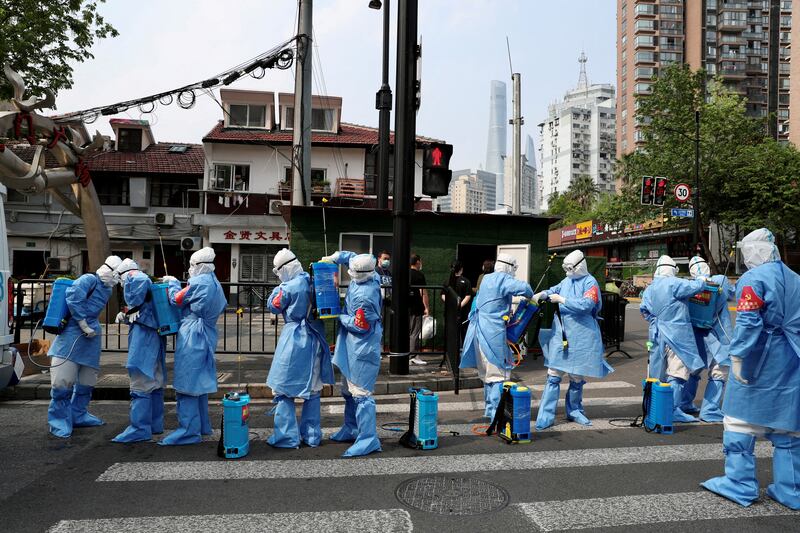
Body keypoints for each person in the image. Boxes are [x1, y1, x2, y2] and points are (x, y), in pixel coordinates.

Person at [702, 228, 800, 510]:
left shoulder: (752, 279)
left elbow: (749, 322)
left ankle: (740, 484)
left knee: (738, 421)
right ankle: (790, 489)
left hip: (760, 358)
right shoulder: (796, 279)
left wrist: (738, 356)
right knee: (789, 426)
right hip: (791, 358)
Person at [533, 250, 611, 430]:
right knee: (554, 374)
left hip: (582, 335)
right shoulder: (567, 281)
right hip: (562, 334)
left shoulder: (590, 282)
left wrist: (563, 300)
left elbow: (586, 305)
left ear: (579, 266)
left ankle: (575, 410)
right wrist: (543, 293)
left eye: (570, 268)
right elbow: (554, 289)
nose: (567, 272)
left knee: (576, 376)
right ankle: (546, 415)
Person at [266, 249, 335, 448]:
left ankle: (287, 437)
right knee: (313, 389)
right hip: (316, 338)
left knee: (283, 387)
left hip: (294, 339)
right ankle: (312, 436)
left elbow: (273, 306)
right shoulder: (312, 279)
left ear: (284, 268)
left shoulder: (288, 287)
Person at [47, 255, 122, 438]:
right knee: (62, 382)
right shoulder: (89, 279)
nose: (117, 279)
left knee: (87, 380)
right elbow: (73, 297)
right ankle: (58, 420)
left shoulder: (107, 290)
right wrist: (82, 324)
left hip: (91, 337)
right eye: (116, 274)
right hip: (72, 334)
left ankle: (78, 414)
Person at [159, 247, 227, 446]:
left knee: (187, 383)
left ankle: (188, 431)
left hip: (192, 334)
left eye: (191, 265)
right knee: (199, 383)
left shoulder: (198, 282)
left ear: (199, 266)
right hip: (207, 332)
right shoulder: (215, 283)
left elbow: (176, 299)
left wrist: (171, 283)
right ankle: (203, 426)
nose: (190, 269)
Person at [321, 250, 383, 457]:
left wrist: (340, 316)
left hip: (361, 348)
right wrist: (334, 257)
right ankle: (351, 428)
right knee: (348, 391)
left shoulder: (366, 296)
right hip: (352, 346)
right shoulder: (370, 273)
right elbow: (352, 257)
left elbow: (360, 326)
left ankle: (368, 439)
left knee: (361, 394)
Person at [459, 252, 532, 420]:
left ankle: (490, 410)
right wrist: (533, 296)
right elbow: (526, 289)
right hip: (493, 333)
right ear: (509, 266)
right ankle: (496, 415)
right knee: (498, 374)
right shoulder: (503, 279)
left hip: (478, 331)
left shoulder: (486, 279)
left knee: (487, 375)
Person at [639, 255, 707, 423]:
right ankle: (673, 409)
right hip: (677, 334)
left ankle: (654, 408)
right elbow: (697, 286)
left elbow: (644, 311)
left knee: (656, 373)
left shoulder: (650, 288)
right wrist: (702, 276)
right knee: (677, 372)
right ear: (672, 269)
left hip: (656, 335)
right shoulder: (675, 283)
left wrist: (657, 322)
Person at [111, 258, 167, 443]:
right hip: (154, 337)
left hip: (144, 340)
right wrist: (129, 314)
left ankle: (140, 428)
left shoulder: (136, 279)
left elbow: (138, 283)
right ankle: (155, 424)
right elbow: (143, 313)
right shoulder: (147, 287)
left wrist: (132, 306)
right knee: (156, 381)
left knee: (140, 383)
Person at [680, 255, 734, 423]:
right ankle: (710, 410)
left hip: (696, 336)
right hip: (718, 334)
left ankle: (684, 403)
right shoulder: (720, 280)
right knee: (719, 371)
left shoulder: (690, 286)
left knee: (693, 370)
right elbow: (732, 294)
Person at [443, 260, 472, 343]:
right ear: (461, 269)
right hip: (462, 312)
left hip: (449, 312)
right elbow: (468, 296)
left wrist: (450, 304)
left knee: (450, 332)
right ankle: (462, 352)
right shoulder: (466, 281)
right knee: (463, 332)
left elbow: (443, 295)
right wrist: (459, 306)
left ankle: (450, 353)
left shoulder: (447, 281)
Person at [409, 254, 429, 365]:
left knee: (407, 332)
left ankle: (406, 354)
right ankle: (413, 356)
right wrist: (426, 307)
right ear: (417, 262)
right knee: (414, 332)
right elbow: (423, 292)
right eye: (420, 261)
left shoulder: (404, 273)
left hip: (405, 307)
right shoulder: (419, 275)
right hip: (416, 307)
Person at [376, 250, 392, 353]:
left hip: (388, 302)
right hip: (378, 303)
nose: (387, 261)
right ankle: (378, 349)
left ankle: (383, 348)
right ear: (379, 259)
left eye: (388, 259)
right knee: (378, 326)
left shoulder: (389, 273)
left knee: (386, 327)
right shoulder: (376, 271)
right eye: (385, 259)